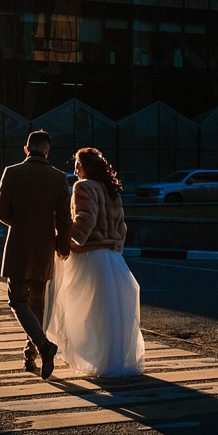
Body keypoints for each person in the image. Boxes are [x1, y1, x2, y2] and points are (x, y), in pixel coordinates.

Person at [45, 147, 146, 379]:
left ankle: (96, 358)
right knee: (111, 313)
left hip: (90, 257)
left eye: (78, 165)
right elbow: (122, 226)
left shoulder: (84, 186)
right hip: (112, 258)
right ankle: (113, 360)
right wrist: (116, 246)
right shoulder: (112, 190)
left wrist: (69, 242)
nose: (75, 170)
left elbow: (85, 219)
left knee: (84, 312)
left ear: (86, 167)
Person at [0, 129, 72, 379]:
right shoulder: (59, 177)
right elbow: (64, 219)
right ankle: (30, 356)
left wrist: (21, 223)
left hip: (18, 243)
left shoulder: (12, 172)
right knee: (37, 302)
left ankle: (43, 346)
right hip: (44, 247)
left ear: (26, 149)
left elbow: (2, 213)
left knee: (17, 301)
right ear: (48, 151)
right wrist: (62, 246)